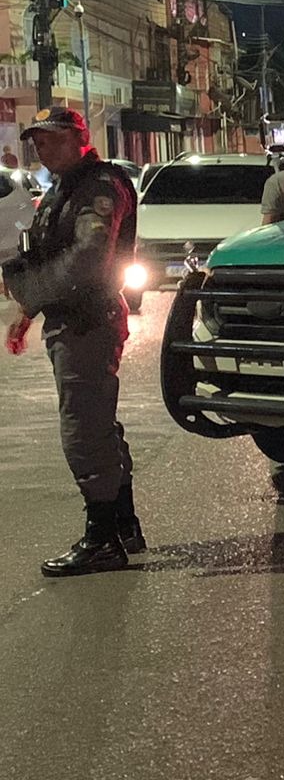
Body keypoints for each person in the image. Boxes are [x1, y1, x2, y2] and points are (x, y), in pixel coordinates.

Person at [0, 106, 140, 576]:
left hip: (88, 322)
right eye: (37, 141)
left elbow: (85, 262)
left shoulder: (99, 186)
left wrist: (28, 290)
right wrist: (27, 312)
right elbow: (46, 252)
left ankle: (103, 538)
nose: (43, 148)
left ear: (80, 137)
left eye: (54, 139)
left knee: (84, 430)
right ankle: (123, 523)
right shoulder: (64, 188)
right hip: (72, 320)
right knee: (97, 423)